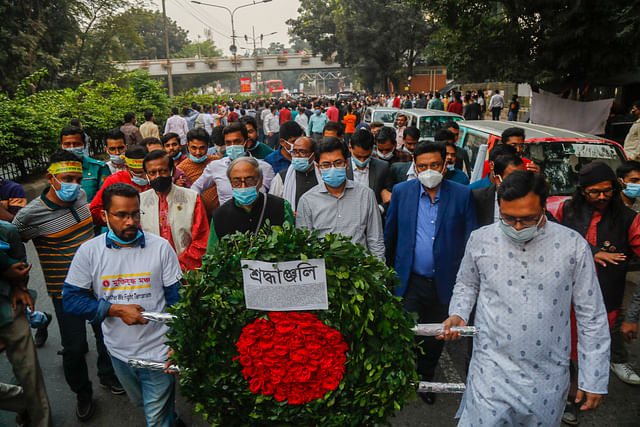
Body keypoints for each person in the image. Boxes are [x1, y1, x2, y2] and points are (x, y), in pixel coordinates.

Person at [441, 170, 610, 425]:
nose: (518, 227)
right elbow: (466, 283)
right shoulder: (481, 239)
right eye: (509, 219)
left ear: (544, 207)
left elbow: (592, 315)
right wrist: (458, 313)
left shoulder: (572, 246)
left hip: (547, 378)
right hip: (491, 371)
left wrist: (593, 377)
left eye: (528, 219)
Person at [13, 151, 123, 421]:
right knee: (73, 346)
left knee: (105, 334)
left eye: (77, 178)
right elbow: (12, 243)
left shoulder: (81, 197)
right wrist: (18, 283)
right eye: (66, 179)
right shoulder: (31, 214)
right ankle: (82, 392)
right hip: (64, 291)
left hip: (98, 284)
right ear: (51, 179)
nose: (73, 184)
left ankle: (107, 375)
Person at [63, 183, 183, 427]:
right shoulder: (89, 252)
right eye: (121, 215)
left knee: (155, 417)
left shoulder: (160, 247)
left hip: (160, 351)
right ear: (104, 215)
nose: (130, 221)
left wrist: (178, 342)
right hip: (119, 353)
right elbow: (71, 299)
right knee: (144, 404)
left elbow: (178, 299)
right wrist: (114, 310)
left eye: (135, 214)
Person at [384, 141, 476, 404]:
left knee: (435, 337)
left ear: (445, 165)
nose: (429, 170)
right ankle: (403, 379)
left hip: (445, 283)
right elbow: (390, 235)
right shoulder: (402, 192)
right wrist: (390, 276)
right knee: (406, 332)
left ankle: (426, 380)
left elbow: (471, 240)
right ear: (415, 164)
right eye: (423, 166)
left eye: (434, 165)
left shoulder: (462, 194)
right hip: (409, 280)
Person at [555, 162, 640, 421]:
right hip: (563, 300)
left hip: (604, 301)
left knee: (591, 351)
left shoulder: (629, 219)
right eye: (594, 192)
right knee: (560, 352)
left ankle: (585, 392)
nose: (602, 197)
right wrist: (592, 253)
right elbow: (552, 242)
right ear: (582, 191)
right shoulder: (565, 211)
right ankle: (567, 399)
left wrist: (633, 317)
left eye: (607, 191)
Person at [296, 137, 385, 259]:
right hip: (324, 273)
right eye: (326, 165)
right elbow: (305, 245)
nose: (333, 168)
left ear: (346, 164)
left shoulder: (366, 195)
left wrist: (379, 273)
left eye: (338, 163)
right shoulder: (307, 201)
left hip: (361, 272)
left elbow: (376, 241)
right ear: (318, 168)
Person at [0, 221, 52, 426]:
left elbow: (22, 267)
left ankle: (38, 414)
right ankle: (25, 402)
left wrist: (19, 286)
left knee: (30, 375)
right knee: (30, 393)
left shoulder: (7, 231)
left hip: (10, 310)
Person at [140, 150, 209, 271]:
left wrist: (180, 265)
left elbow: (201, 239)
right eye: (152, 173)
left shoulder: (191, 198)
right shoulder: (140, 201)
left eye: (163, 171)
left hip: (186, 270)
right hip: (150, 269)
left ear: (172, 171)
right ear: (146, 175)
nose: (158, 176)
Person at [207, 157, 294, 250]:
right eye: (237, 182)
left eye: (250, 181)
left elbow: (292, 245)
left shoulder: (280, 207)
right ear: (231, 184)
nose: (243, 186)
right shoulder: (220, 215)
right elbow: (212, 255)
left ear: (260, 181)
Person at [192, 123, 275, 209]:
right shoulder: (215, 166)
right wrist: (196, 207)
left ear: (247, 142)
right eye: (228, 143)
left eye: (237, 141)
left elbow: (274, 198)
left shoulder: (264, 168)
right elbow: (196, 187)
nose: (233, 146)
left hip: (258, 219)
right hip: (227, 219)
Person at [90, 145, 150, 225]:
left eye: (148, 172)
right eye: (138, 173)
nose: (144, 177)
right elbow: (95, 212)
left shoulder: (156, 178)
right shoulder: (114, 180)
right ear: (127, 168)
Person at [269, 136, 321, 212]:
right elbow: (272, 205)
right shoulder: (282, 177)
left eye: (302, 152)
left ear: (313, 155)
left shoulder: (322, 176)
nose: (297, 155)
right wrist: (287, 214)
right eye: (294, 152)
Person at [60, 125, 111, 203]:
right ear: (62, 145)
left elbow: (107, 198)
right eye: (67, 144)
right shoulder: (56, 169)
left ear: (84, 144)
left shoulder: (99, 168)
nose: (72, 148)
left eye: (76, 144)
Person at [472, 154, 525, 226]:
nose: (518, 182)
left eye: (522, 176)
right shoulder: (478, 198)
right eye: (512, 178)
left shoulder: (532, 199)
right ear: (498, 180)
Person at [346, 129, 392, 212]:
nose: (362, 161)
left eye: (366, 157)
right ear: (350, 148)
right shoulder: (342, 168)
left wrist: (379, 209)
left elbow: (390, 195)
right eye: (358, 156)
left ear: (373, 149)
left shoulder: (382, 167)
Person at [177, 128, 220, 214]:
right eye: (194, 148)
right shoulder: (181, 168)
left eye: (202, 148)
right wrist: (178, 185)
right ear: (188, 146)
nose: (198, 152)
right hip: (196, 215)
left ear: (208, 146)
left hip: (218, 214)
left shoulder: (217, 162)